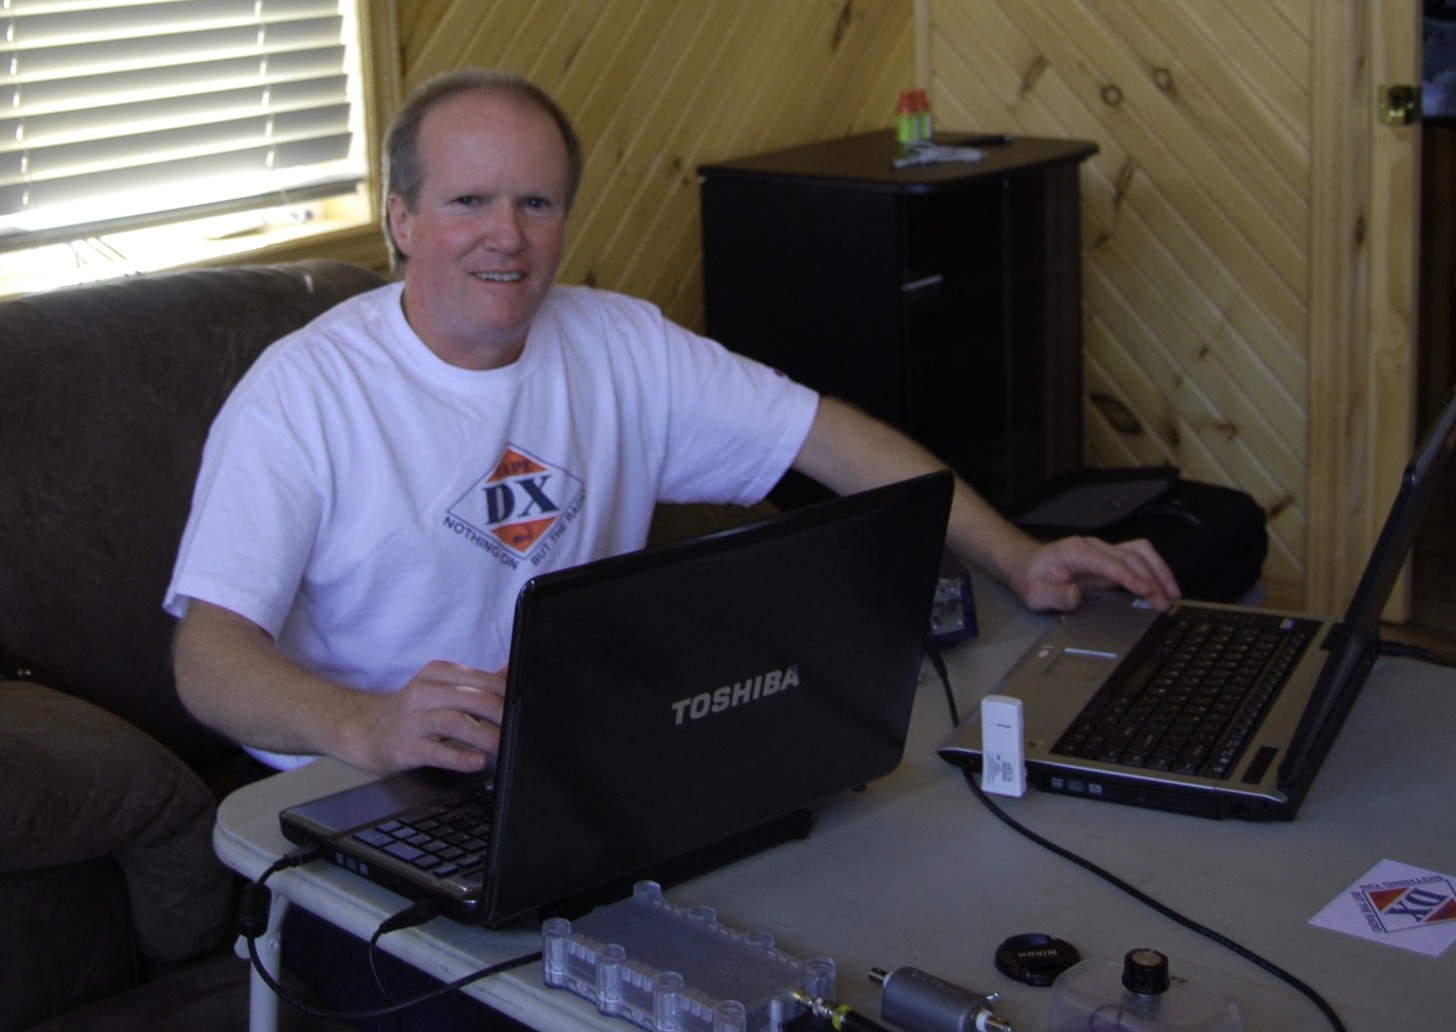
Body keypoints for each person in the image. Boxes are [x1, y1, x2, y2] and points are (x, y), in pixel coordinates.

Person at [167, 67, 1180, 780]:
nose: (506, 237)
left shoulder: (620, 343)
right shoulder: (303, 393)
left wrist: (1019, 558)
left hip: (575, 751)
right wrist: (368, 726)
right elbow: (208, 656)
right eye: (468, 201)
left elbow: (830, 439)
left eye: (536, 203)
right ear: (402, 220)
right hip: (359, 783)